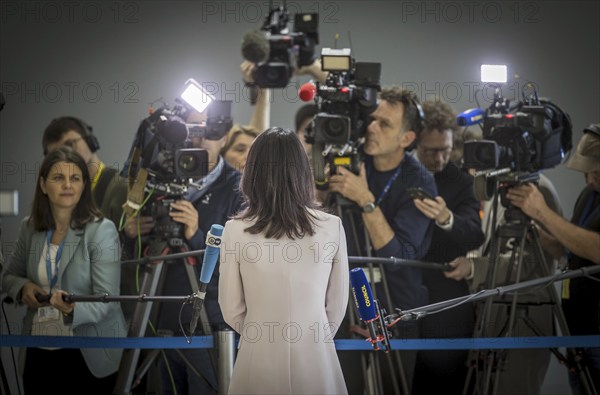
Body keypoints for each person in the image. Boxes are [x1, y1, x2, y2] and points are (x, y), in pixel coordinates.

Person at [218, 127, 349, 395]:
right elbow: (337, 306)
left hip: (257, 354)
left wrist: (260, 330)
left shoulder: (235, 230)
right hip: (316, 355)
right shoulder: (331, 226)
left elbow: (230, 307)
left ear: (252, 172)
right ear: (303, 171)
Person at [123, 107, 244, 394]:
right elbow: (132, 259)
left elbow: (242, 265)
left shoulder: (240, 189)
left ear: (224, 137)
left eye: (207, 133)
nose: (199, 141)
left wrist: (196, 234)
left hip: (211, 325)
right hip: (160, 318)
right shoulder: (156, 181)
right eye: (192, 131)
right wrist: (130, 235)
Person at [326, 87, 437, 393]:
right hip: (345, 305)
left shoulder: (419, 180)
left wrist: (364, 199)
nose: (372, 128)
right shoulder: (352, 161)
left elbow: (395, 255)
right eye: (372, 119)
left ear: (407, 138)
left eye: (384, 124)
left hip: (397, 308)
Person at [2, 146, 127, 395]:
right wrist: (23, 287)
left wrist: (73, 308)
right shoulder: (30, 227)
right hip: (38, 350)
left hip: (87, 353)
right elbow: (9, 277)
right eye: (58, 178)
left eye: (75, 178)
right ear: (43, 185)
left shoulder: (101, 230)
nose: (68, 185)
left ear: (83, 186)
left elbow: (109, 299)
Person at [445, 171, 563, 395]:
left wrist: (473, 267)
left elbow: (527, 261)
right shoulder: (499, 187)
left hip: (523, 317)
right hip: (492, 311)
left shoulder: (534, 189)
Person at [505, 125, 600, 395]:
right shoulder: (590, 195)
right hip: (578, 330)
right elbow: (571, 251)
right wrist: (536, 230)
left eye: (596, 172)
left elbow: (597, 250)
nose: (590, 180)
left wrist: (543, 212)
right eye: (586, 172)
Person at [410, 101, 484, 395]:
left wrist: (446, 218)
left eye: (446, 149)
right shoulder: (393, 173)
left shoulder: (459, 180)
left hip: (447, 307)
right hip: (398, 299)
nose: (440, 158)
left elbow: (474, 236)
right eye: (431, 151)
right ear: (413, 140)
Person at [42, 116, 128, 228]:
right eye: (56, 153)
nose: (66, 155)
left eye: (70, 144)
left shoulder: (120, 188)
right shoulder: (61, 197)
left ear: (90, 141)